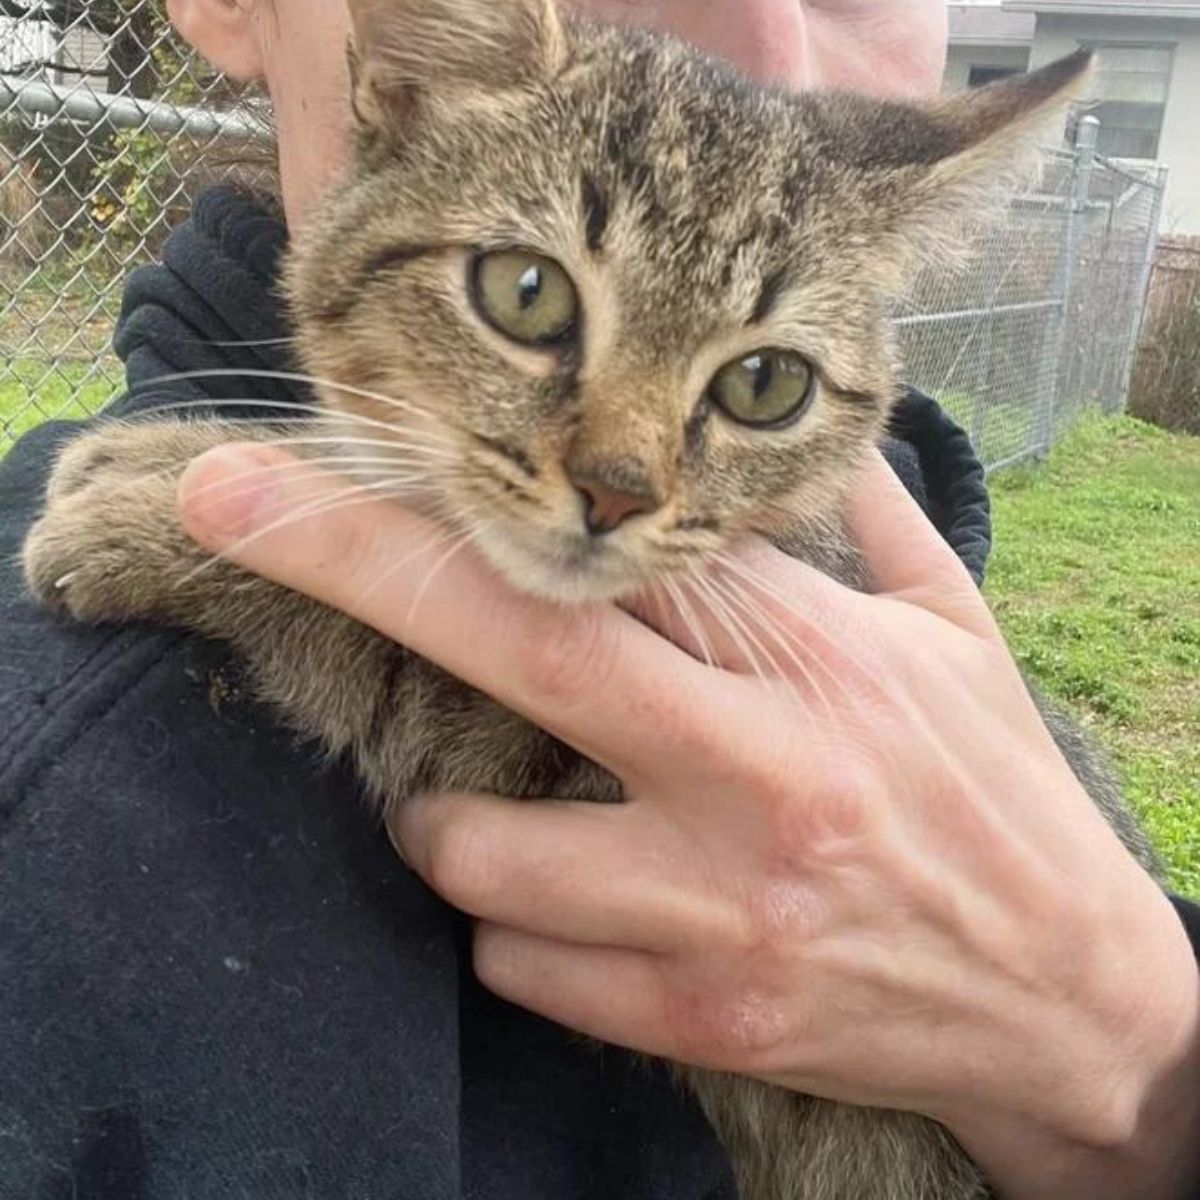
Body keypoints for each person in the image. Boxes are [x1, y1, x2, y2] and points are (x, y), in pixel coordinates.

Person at [0, 1, 1196, 1197]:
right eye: (532, 295)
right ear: (404, 82)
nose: (622, 475)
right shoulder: (57, 781)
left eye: (763, 383)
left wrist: (1144, 1055)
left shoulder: (886, 574)